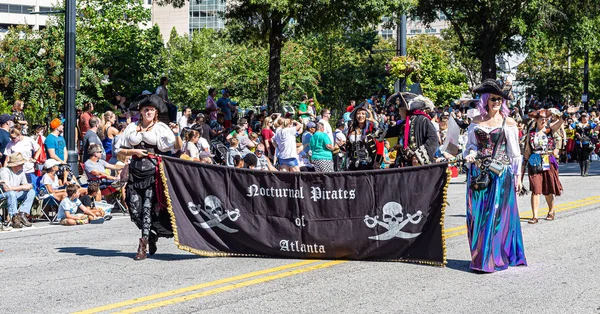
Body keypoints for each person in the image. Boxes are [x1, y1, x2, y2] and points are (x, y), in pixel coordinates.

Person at [463, 79, 526, 273]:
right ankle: (480, 255)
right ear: (485, 100)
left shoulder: (509, 123)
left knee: (497, 216)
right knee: (478, 215)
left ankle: (493, 258)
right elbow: (470, 146)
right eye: (493, 99)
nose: (497, 102)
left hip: (501, 174)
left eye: (499, 99)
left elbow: (515, 153)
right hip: (479, 172)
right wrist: (471, 154)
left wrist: (518, 178)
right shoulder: (476, 122)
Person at [114, 94, 182, 260]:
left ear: (156, 112)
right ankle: (151, 234)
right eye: (146, 109)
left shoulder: (161, 128)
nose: (149, 112)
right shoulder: (131, 128)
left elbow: (176, 148)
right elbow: (119, 150)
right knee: (135, 210)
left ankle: (142, 245)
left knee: (146, 209)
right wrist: (133, 151)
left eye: (151, 109)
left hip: (153, 173)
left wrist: (177, 133)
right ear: (141, 112)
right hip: (134, 172)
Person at [523, 110, 565, 224]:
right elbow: (527, 150)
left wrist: (566, 113)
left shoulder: (549, 130)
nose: (544, 120)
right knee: (535, 189)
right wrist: (522, 168)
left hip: (547, 160)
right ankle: (534, 216)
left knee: (547, 189)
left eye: (546, 119)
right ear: (536, 119)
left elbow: (561, 121)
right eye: (542, 118)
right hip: (534, 160)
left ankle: (551, 210)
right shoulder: (531, 133)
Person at [391, 93, 439, 167]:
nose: (399, 113)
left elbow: (433, 139)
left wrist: (418, 156)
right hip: (406, 165)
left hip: (420, 165)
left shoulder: (422, 120)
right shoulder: (403, 124)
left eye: (401, 110)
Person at [0, 153, 35, 229]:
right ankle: (14, 217)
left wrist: (26, 187)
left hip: (15, 194)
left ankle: (22, 214)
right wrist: (22, 187)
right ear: (15, 165)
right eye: (21, 164)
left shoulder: (21, 172)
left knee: (31, 192)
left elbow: (26, 186)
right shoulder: (4, 171)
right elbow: (6, 189)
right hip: (3, 195)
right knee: (11, 193)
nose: (23, 165)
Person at [346, 103, 380, 170]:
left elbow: (381, 138)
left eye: (363, 113)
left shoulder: (371, 128)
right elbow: (348, 147)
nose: (360, 116)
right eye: (358, 113)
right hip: (354, 164)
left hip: (369, 163)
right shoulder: (351, 128)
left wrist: (373, 121)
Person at [573, 112, 597, 176]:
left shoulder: (590, 124)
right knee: (580, 157)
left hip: (586, 142)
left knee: (586, 156)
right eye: (583, 117)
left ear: (588, 117)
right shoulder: (577, 124)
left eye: (585, 116)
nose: (584, 118)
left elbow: (597, 126)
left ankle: (586, 171)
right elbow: (571, 127)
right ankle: (582, 171)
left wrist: (596, 122)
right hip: (578, 141)